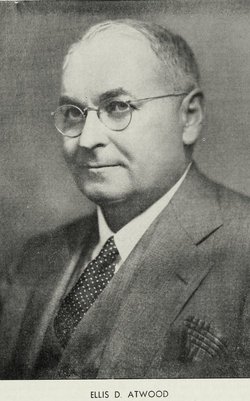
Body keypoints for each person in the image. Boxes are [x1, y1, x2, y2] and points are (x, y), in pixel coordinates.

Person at [0, 19, 250, 380]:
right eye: (73, 113)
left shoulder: (243, 248)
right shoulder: (34, 259)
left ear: (189, 117)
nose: (87, 139)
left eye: (117, 107)